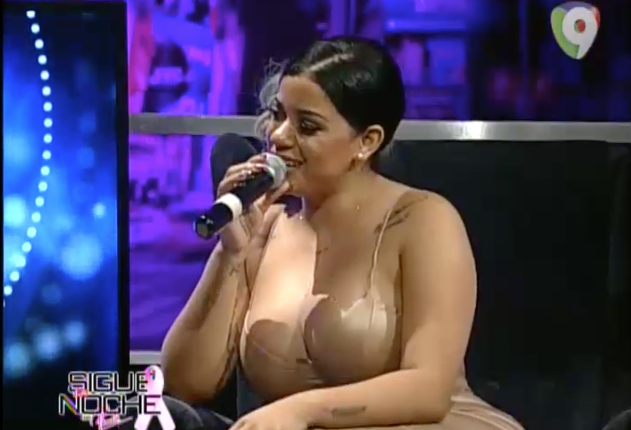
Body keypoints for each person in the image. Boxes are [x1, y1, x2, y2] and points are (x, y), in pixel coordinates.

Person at [160, 36, 525, 430]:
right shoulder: (263, 229)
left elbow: (429, 389)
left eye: (307, 126)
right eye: (277, 114)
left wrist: (301, 410)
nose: (278, 135)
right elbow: (184, 384)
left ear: (367, 142)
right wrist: (229, 254)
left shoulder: (423, 220)